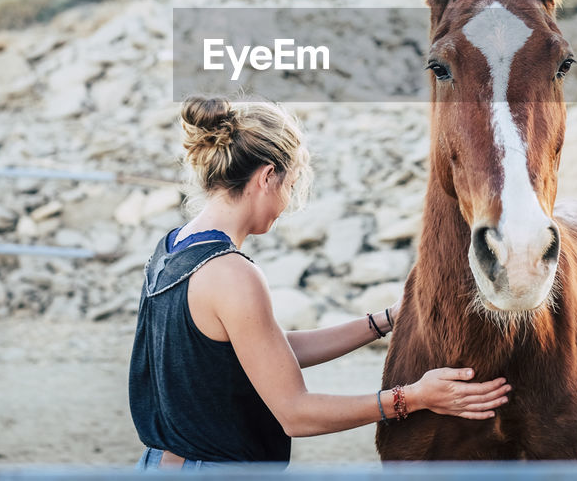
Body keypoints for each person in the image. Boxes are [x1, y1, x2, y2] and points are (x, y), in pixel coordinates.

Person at [129, 94, 511, 469]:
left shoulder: (172, 248)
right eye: (291, 185)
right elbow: (296, 414)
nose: (289, 203)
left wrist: (388, 319)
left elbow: (265, 352)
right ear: (266, 177)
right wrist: (413, 398)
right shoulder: (231, 273)